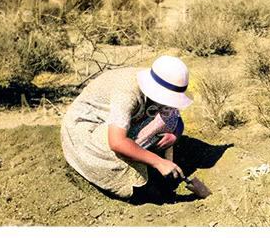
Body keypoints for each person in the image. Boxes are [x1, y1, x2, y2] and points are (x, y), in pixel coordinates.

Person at [60, 55, 193, 202]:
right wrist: (159, 162)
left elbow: (175, 115)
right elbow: (116, 142)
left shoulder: (160, 79)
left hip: (114, 123)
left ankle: (149, 162)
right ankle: (142, 182)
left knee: (170, 117)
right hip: (85, 131)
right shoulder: (127, 93)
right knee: (139, 185)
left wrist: (175, 134)